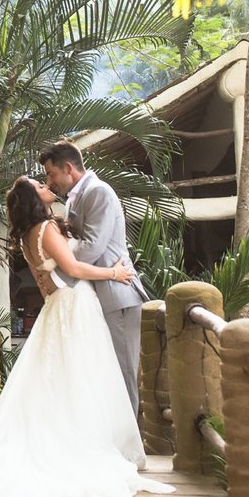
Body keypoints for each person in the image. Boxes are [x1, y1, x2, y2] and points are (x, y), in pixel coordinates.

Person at [0, 176, 173, 497]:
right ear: (34, 199)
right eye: (39, 185)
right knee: (84, 377)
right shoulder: (45, 229)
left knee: (63, 380)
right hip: (74, 306)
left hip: (56, 308)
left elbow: (49, 276)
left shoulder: (27, 237)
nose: (45, 185)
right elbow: (72, 267)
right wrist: (114, 275)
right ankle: (84, 447)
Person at [40, 140, 147, 414]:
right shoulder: (77, 195)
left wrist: (58, 270)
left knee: (122, 375)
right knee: (105, 376)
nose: (50, 182)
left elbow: (93, 247)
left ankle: (129, 448)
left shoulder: (98, 192)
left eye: (51, 174)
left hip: (116, 293)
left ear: (68, 168)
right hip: (95, 295)